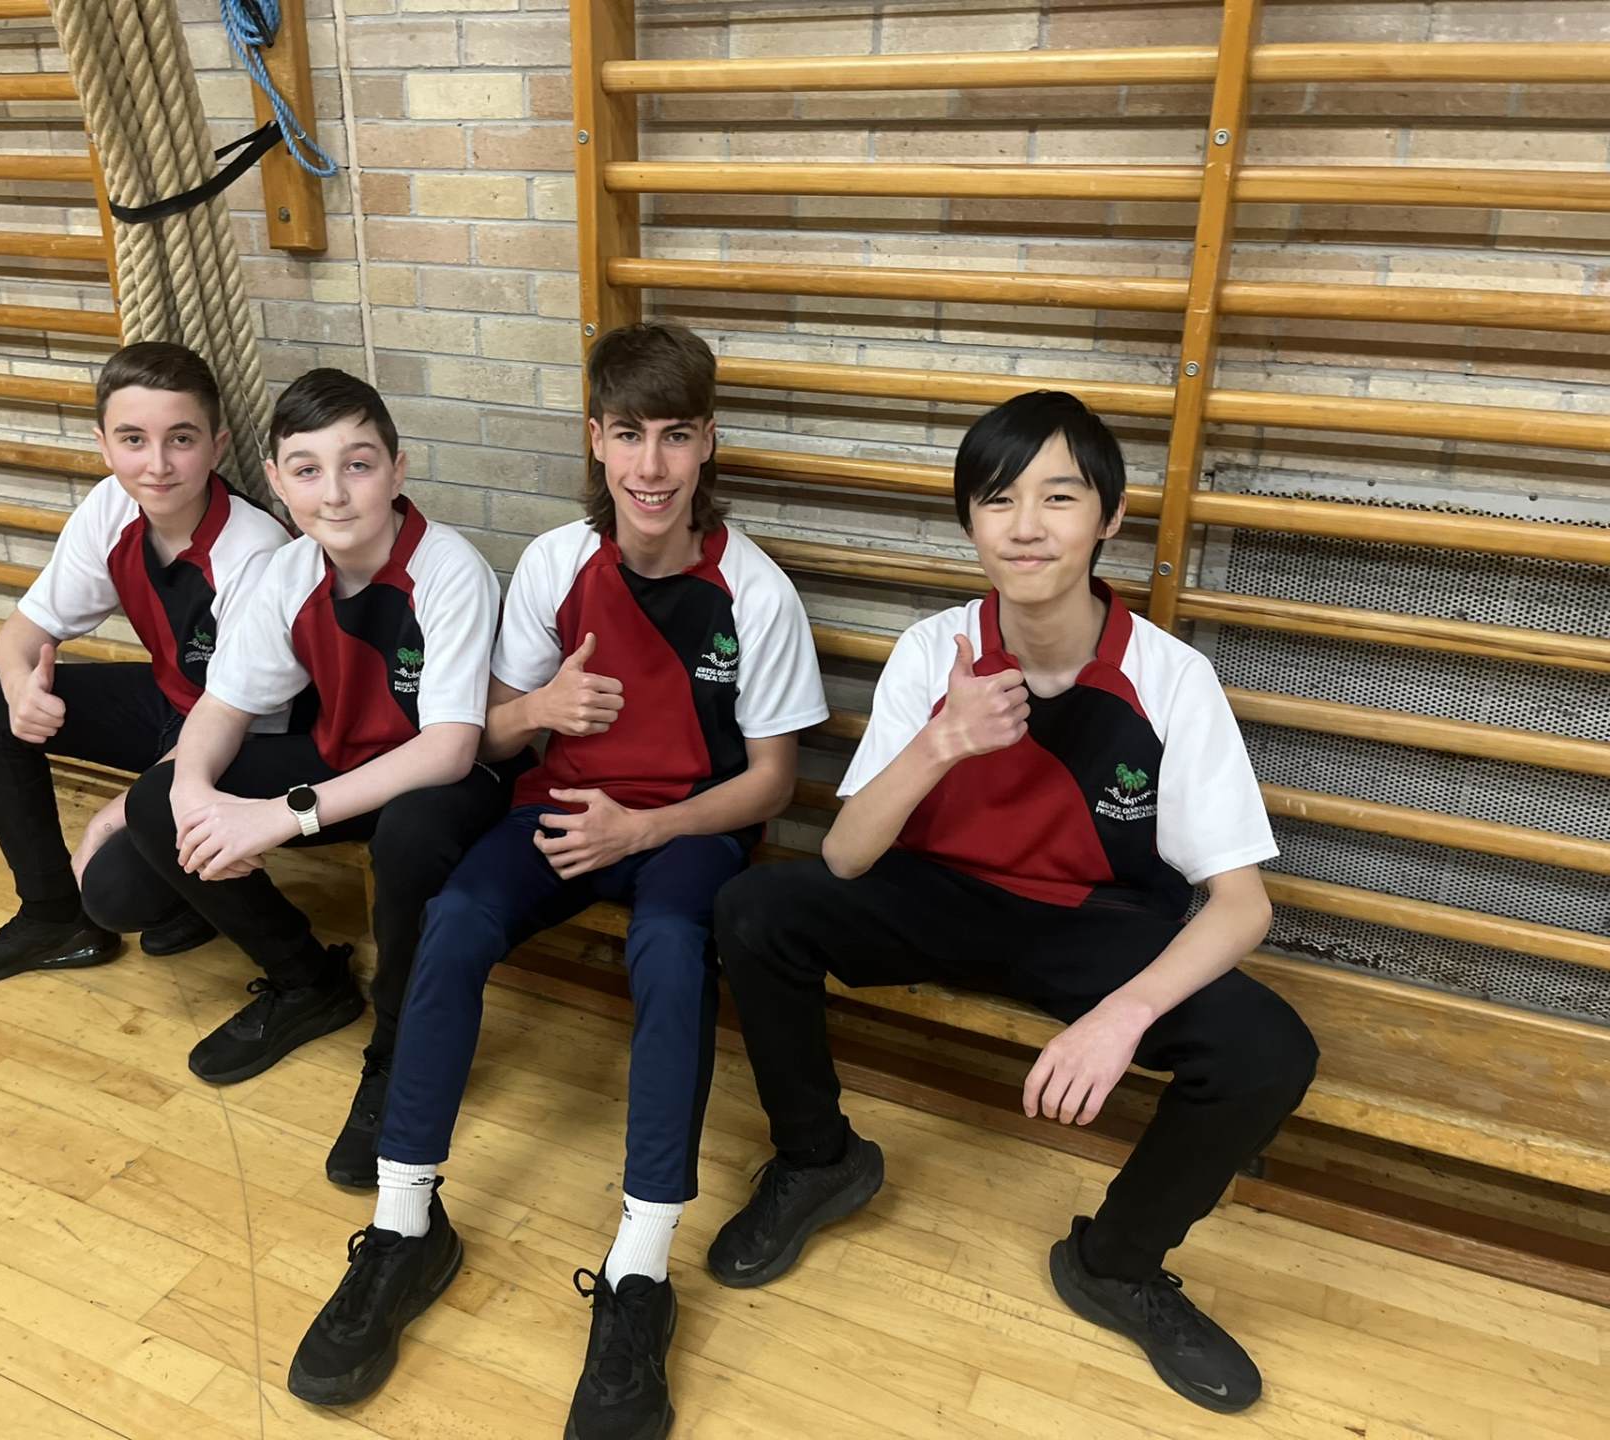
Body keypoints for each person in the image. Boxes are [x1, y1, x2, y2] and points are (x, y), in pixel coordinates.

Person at [706, 390, 1317, 1416]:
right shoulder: (934, 648)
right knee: (756, 908)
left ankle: (1115, 1263)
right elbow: (847, 856)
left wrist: (1124, 1014)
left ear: (1109, 519)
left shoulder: (1172, 678)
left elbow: (1241, 906)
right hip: (937, 899)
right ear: (970, 523)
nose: (1026, 526)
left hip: (1095, 927)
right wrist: (941, 742)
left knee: (1269, 1049)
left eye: (1059, 497)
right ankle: (818, 1161)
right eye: (998, 500)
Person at [286, 323, 829, 1438]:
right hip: (565, 811)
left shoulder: (756, 591)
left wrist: (647, 828)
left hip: (686, 826)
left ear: (708, 442)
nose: (651, 465)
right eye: (628, 434)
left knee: (672, 950)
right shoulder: (554, 563)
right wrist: (539, 709)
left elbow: (773, 782)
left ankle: (640, 1270)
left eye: (675, 436)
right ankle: (404, 1226)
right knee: (454, 919)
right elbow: (481, 735)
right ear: (594, 439)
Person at [80, 368, 519, 1104]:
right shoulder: (288, 572)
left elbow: (448, 749)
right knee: (158, 798)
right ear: (277, 481)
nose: (335, 494)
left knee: (410, 836)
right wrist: (193, 798)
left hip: (446, 780)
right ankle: (308, 982)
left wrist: (280, 817)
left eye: (358, 466)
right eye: (308, 471)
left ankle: (398, 1056)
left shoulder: (449, 569)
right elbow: (221, 707)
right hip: (343, 761)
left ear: (397, 470)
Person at [0, 341, 290, 986]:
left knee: (117, 892)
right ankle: (51, 918)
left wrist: (118, 812)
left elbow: (238, 718)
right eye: (133, 439)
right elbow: (21, 632)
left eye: (180, 439)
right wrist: (20, 688)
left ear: (216, 446)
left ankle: (192, 897)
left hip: (253, 736)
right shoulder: (110, 506)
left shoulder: (255, 550)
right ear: (103, 445)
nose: (156, 464)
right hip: (173, 702)